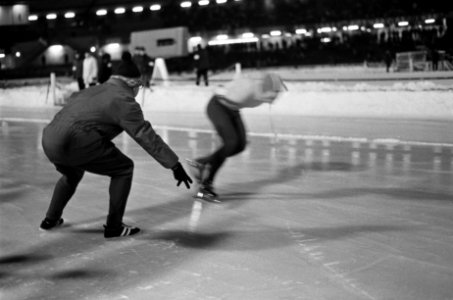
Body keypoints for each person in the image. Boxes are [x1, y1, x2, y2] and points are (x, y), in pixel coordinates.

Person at [39, 51, 192, 238]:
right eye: (140, 86)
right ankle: (114, 227)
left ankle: (51, 219)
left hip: (49, 139)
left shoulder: (92, 89)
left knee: (72, 174)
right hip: (76, 141)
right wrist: (173, 164)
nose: (139, 91)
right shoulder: (124, 101)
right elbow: (145, 135)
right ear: (133, 84)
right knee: (124, 169)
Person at [187, 73, 287, 201]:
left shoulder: (262, 94)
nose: (277, 97)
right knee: (231, 143)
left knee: (240, 145)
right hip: (217, 106)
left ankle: (201, 163)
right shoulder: (247, 88)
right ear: (267, 89)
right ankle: (205, 185)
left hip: (232, 110)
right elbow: (219, 91)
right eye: (275, 92)